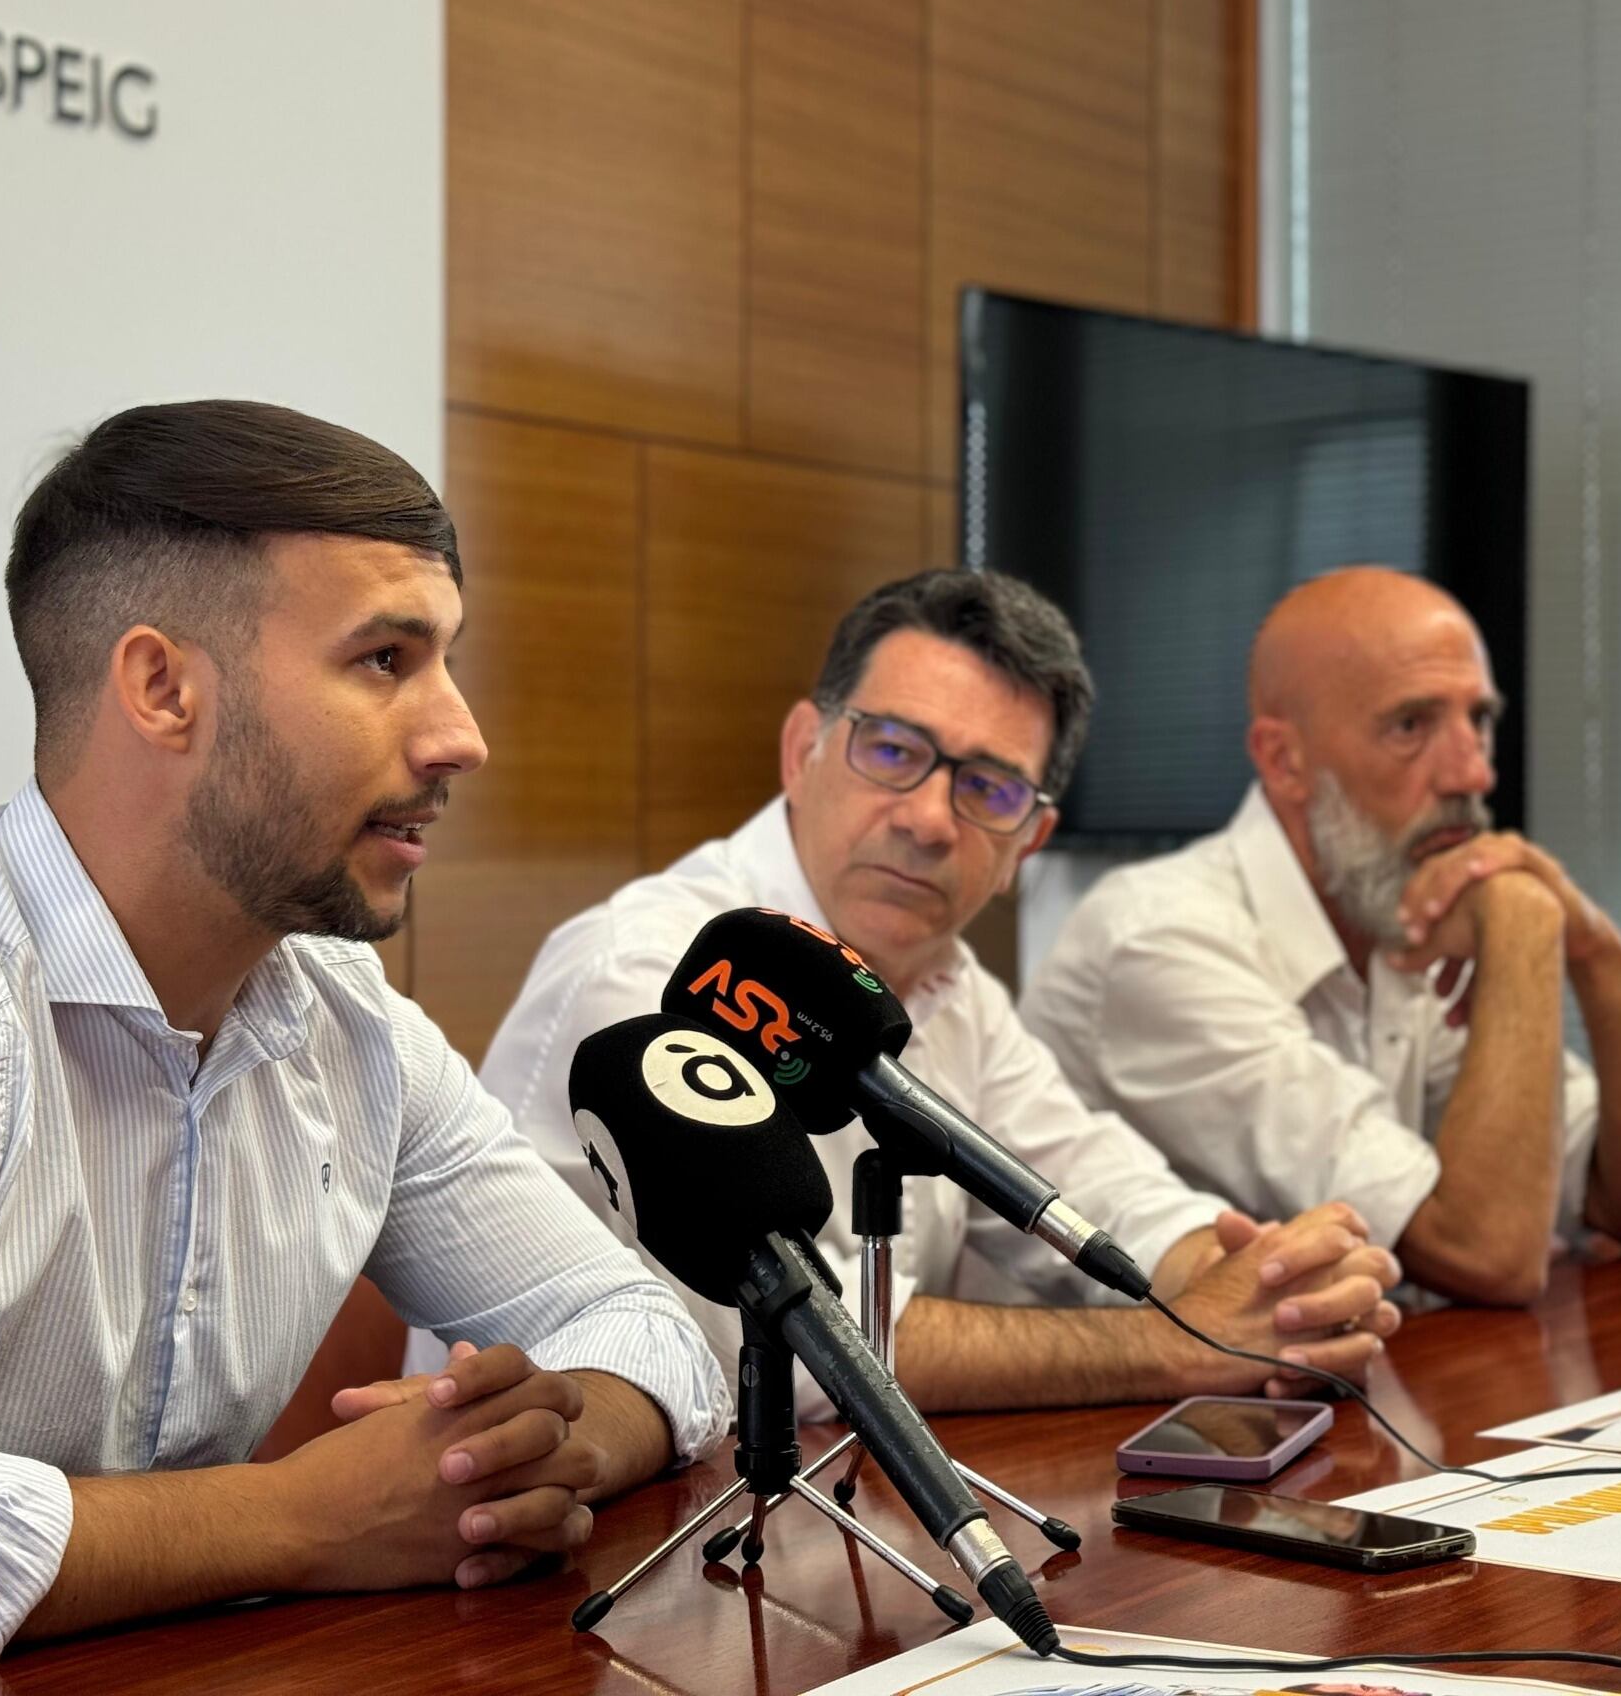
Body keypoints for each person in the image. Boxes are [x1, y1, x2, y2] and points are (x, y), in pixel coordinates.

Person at [0, 402, 728, 1692]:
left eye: (444, 658)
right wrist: (303, 1519)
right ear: (162, 688)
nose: (461, 734)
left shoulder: (344, 1020)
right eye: (385, 659)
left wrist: (533, 1456)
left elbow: (637, 1324)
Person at [482, 569, 1401, 1420]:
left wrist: (1263, 1282)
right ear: (803, 750)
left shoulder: (944, 983)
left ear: (1026, 845)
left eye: (989, 790)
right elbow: (788, 1342)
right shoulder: (655, 972)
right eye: (892, 750)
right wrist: (1178, 1347)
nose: (927, 820)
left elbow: (1095, 1180)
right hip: (565, 1540)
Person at [1024, 567, 1621, 1308]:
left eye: (1478, 720)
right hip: (1108, 1419)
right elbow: (1487, 1252)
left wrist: (1598, 956)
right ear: (1286, 761)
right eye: (1411, 725)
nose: (1473, 773)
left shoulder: (1396, 913)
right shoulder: (1159, 939)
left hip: (1317, 1398)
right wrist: (1523, 917)